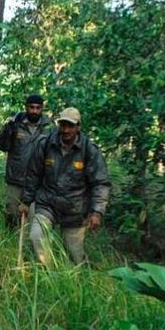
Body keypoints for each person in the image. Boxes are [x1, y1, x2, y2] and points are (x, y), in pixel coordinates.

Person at [20, 107, 110, 265]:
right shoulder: (46, 143)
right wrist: (26, 201)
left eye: (70, 125)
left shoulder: (89, 150)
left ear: (78, 126)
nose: (66, 130)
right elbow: (33, 174)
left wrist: (97, 212)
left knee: (75, 255)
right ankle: (45, 275)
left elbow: (100, 183)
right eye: (63, 125)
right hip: (47, 204)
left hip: (75, 208)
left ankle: (78, 282)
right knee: (36, 237)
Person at [0, 94, 51, 228]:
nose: (34, 111)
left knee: (33, 220)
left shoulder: (49, 128)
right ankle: (11, 245)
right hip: (16, 179)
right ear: (26, 107)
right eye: (31, 107)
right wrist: (8, 130)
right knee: (12, 215)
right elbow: (2, 146)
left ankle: (28, 247)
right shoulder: (16, 123)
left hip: (38, 182)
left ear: (42, 108)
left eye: (38, 108)